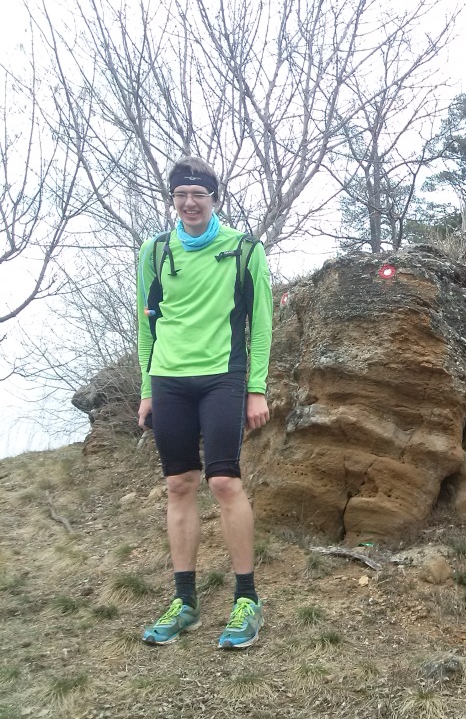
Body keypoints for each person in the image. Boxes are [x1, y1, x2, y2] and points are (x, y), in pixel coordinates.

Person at [136, 156, 273, 649]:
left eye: (199, 194)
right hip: (168, 378)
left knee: (223, 481)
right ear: (172, 199)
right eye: (181, 195)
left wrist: (256, 387)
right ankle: (185, 602)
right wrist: (147, 388)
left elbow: (261, 324)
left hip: (223, 376)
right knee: (178, 484)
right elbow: (146, 323)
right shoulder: (154, 251)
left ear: (214, 198)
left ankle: (247, 599)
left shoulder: (244, 249)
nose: (190, 203)